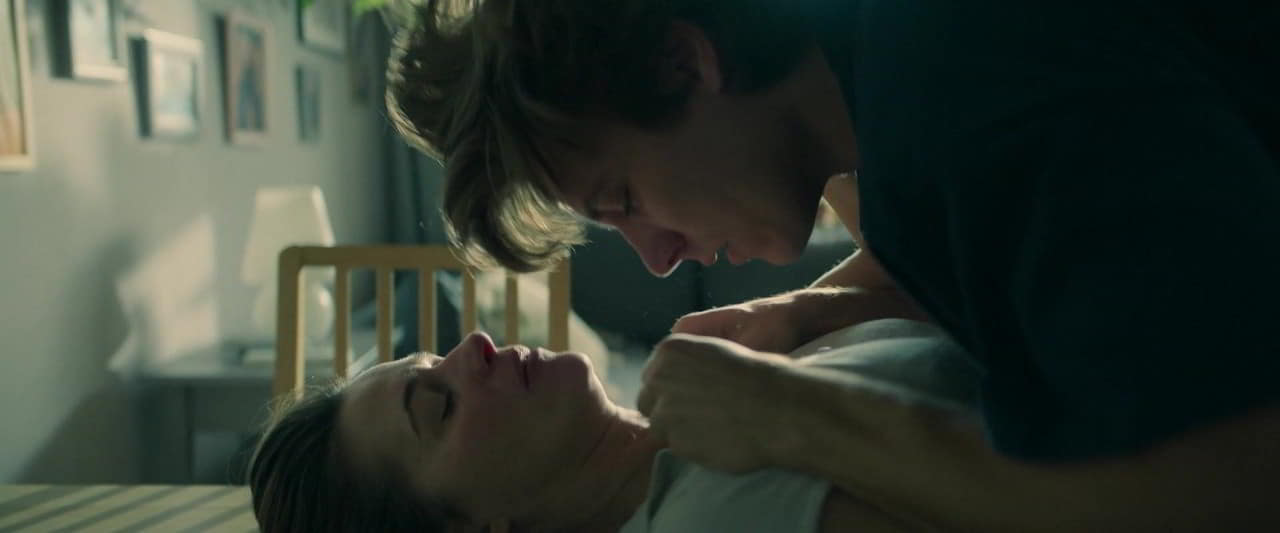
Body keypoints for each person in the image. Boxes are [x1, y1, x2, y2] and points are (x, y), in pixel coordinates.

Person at [385, 0, 1280, 529]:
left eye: (622, 199)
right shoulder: (886, 97)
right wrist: (803, 313)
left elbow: (1229, 484)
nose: (658, 258)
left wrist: (793, 416)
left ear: (682, 64)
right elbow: (990, 253)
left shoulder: (975, 85)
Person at [248, 324, 978, 532]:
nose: (474, 344)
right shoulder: (716, 515)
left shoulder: (709, 398)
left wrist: (805, 313)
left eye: (435, 356)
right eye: (439, 405)